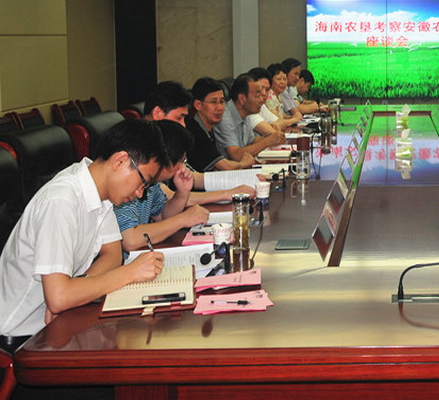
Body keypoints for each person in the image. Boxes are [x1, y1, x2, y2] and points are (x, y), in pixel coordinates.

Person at [0, 120, 167, 341]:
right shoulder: (61, 200)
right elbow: (59, 298)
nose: (139, 194)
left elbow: (113, 255)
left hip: (56, 322)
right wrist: (130, 273)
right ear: (120, 160)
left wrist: (77, 291)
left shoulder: (99, 190)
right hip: (19, 335)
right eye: (142, 182)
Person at [114, 121, 209, 251]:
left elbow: (162, 217)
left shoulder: (152, 185)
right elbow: (130, 240)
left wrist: (182, 193)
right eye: (182, 161)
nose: (183, 167)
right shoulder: (127, 184)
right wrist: (183, 219)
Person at [186, 77, 255, 171]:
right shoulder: (193, 129)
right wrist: (243, 163)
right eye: (213, 102)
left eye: (222, 101)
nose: (219, 108)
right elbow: (225, 166)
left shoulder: (210, 128)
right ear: (198, 105)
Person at [214, 73, 285, 162]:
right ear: (242, 99)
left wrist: (274, 137)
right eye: (257, 95)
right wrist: (267, 141)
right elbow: (235, 155)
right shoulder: (224, 117)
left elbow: (253, 141)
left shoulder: (245, 113)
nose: (262, 100)